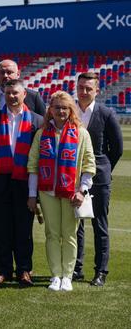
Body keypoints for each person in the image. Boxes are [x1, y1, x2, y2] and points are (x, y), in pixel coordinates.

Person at [0, 59, 46, 273]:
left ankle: (24, 269)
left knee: (24, 228)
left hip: (26, 180)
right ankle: (1, 268)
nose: (11, 95)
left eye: (10, 72)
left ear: (24, 94)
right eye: (2, 72)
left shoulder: (36, 115)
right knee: (0, 227)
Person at [27, 91, 96, 292]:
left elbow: (89, 165)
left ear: (70, 110)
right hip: (47, 192)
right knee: (52, 234)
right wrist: (32, 194)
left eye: (65, 107)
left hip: (72, 193)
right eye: (57, 107)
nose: (61, 111)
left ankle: (67, 275)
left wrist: (82, 190)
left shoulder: (81, 133)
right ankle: (55, 275)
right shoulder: (41, 134)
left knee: (70, 235)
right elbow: (33, 165)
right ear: (50, 110)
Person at [74, 72, 123, 286]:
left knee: (99, 225)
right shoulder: (70, 110)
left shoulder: (106, 113)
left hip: (99, 179)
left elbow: (117, 149)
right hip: (73, 178)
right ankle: (76, 268)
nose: (83, 92)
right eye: (81, 87)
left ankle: (101, 271)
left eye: (88, 88)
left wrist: (102, 169)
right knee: (76, 225)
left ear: (97, 90)